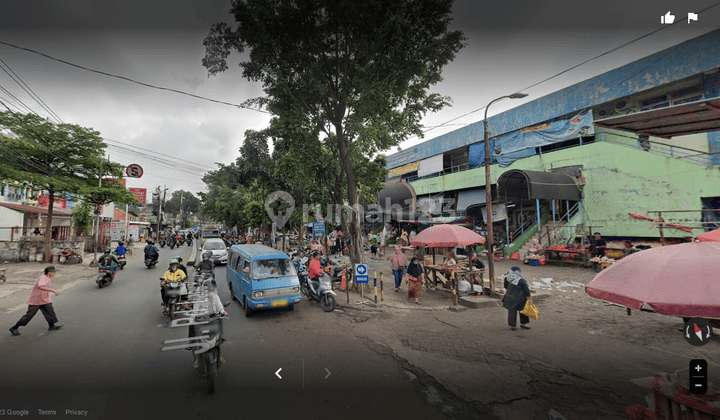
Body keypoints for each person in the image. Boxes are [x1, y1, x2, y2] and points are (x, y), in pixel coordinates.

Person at [9, 266, 63, 335]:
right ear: (49, 272)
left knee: (50, 311)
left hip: (44, 299)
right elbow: (41, 286)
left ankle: (51, 326)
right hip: (36, 300)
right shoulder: (43, 278)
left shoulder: (48, 278)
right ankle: (14, 328)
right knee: (29, 315)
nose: (54, 273)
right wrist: (53, 290)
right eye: (53, 272)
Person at [189, 279, 228, 368]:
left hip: (213, 320)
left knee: (219, 331)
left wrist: (224, 313)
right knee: (197, 338)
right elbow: (195, 311)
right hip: (202, 321)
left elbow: (221, 308)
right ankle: (197, 359)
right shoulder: (199, 299)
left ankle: (219, 351)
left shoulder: (216, 297)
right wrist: (191, 318)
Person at [502, 266, 532, 331]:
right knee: (523, 310)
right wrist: (530, 298)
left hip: (510, 297)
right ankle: (523, 324)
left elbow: (506, 287)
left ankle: (513, 326)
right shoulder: (521, 280)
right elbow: (526, 290)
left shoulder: (507, 278)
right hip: (520, 298)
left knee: (511, 311)